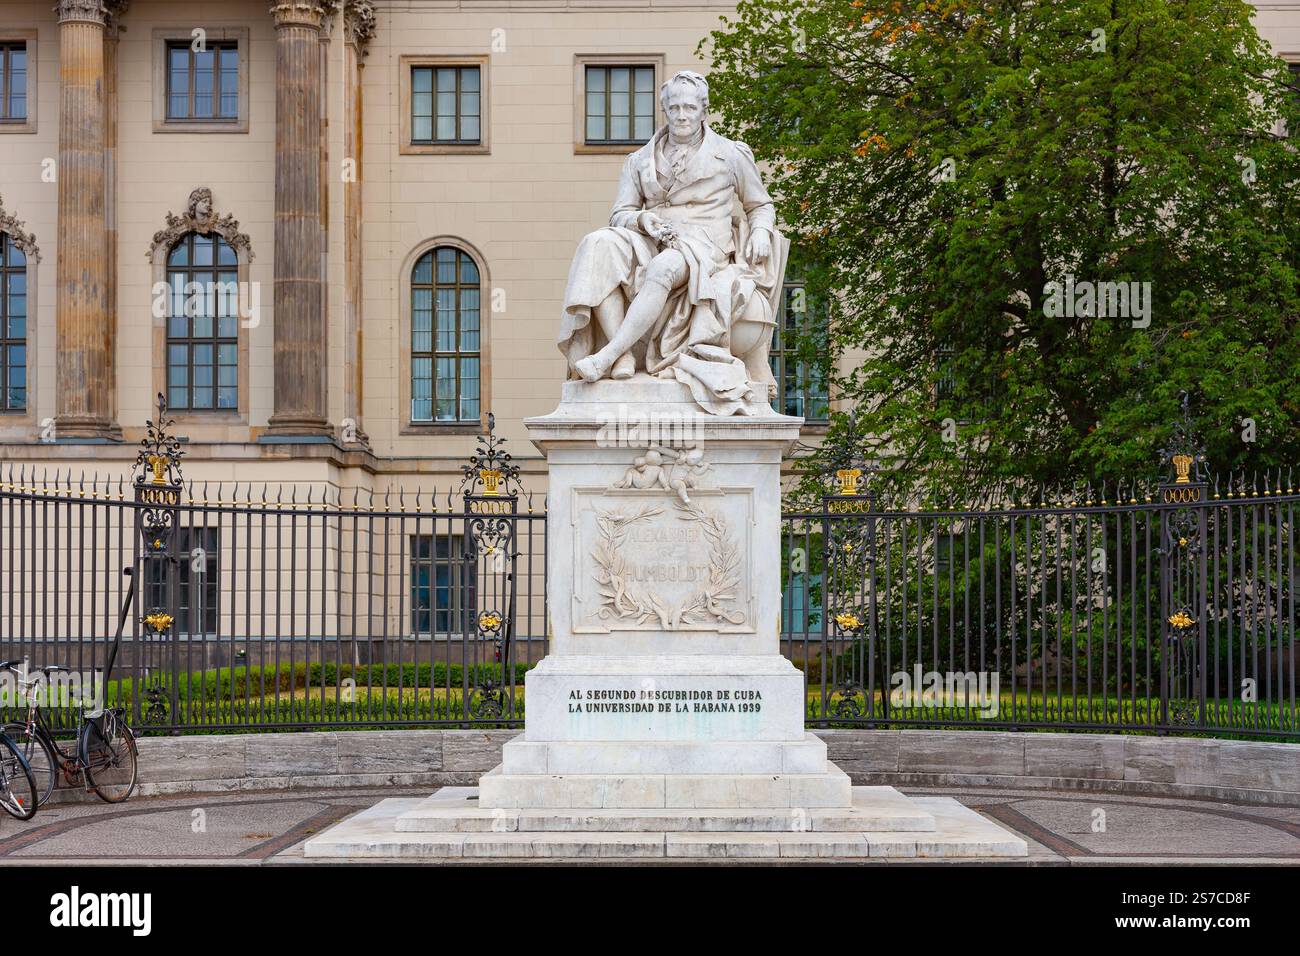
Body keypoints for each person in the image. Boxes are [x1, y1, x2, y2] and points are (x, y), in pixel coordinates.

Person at [557, 71, 789, 415]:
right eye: (675, 107)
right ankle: (622, 354)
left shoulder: (730, 154)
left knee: (664, 268)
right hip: (653, 238)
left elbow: (760, 205)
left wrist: (759, 232)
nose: (682, 115)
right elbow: (620, 212)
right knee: (598, 245)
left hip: (704, 245)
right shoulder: (639, 160)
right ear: (665, 110)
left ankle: (606, 355)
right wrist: (641, 220)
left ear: (703, 110)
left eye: (690, 108)